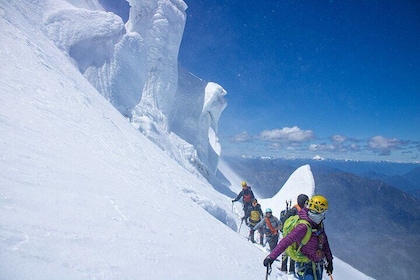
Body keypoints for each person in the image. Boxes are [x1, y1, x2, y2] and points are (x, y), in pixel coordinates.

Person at [263, 195, 333, 280]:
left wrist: (329, 260)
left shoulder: (319, 224)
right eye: (323, 212)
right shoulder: (303, 227)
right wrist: (271, 257)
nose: (324, 215)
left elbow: (324, 242)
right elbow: (286, 241)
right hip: (305, 266)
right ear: (319, 211)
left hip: (317, 265)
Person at [280, 194, 309, 274]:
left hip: (289, 234)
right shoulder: (299, 210)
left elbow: (284, 220)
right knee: (293, 250)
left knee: (287, 250)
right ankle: (290, 269)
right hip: (295, 235)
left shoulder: (294, 210)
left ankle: (284, 268)